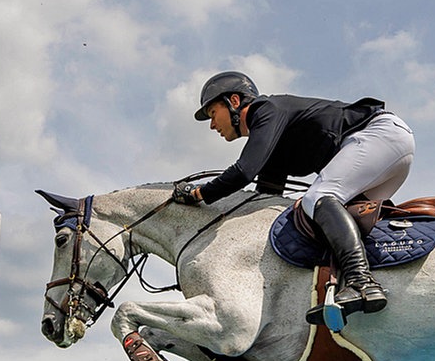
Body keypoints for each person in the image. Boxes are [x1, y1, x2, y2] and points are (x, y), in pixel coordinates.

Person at [173, 70, 415, 322]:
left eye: (213, 114)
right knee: (324, 219)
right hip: (390, 150)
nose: (212, 125)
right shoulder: (274, 139)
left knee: (317, 197)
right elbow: (264, 200)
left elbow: (243, 172)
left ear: (234, 102)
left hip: (378, 135)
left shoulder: (265, 109)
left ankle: (361, 282)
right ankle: (352, 282)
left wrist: (198, 193)